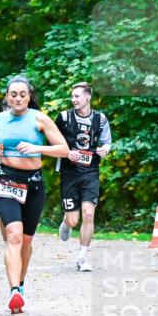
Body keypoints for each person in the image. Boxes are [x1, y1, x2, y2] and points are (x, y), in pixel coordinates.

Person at [0, 76, 68, 316]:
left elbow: (64, 149)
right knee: (14, 235)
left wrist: (37, 148)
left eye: (22, 94)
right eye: (13, 94)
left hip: (34, 184)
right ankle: (14, 290)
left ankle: (21, 284)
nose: (17, 98)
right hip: (6, 181)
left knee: (26, 242)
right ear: (6, 97)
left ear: (29, 97)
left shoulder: (40, 119)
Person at [55, 82, 112, 271]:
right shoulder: (63, 118)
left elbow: (106, 142)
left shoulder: (100, 119)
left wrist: (104, 149)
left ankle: (82, 257)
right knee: (73, 220)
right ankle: (66, 222)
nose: (73, 100)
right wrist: (66, 152)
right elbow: (52, 141)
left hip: (90, 173)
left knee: (88, 213)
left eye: (77, 96)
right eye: (72, 96)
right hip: (69, 173)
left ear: (87, 97)